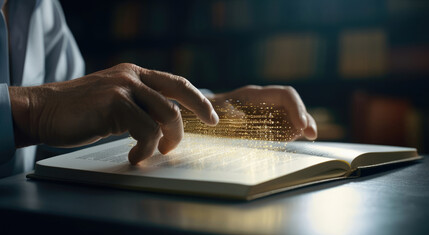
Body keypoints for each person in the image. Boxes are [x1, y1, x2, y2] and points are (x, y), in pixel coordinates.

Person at [0, 0, 317, 178]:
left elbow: (80, 118)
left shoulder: (40, 7)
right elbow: (51, 106)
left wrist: (204, 111)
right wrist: (33, 110)